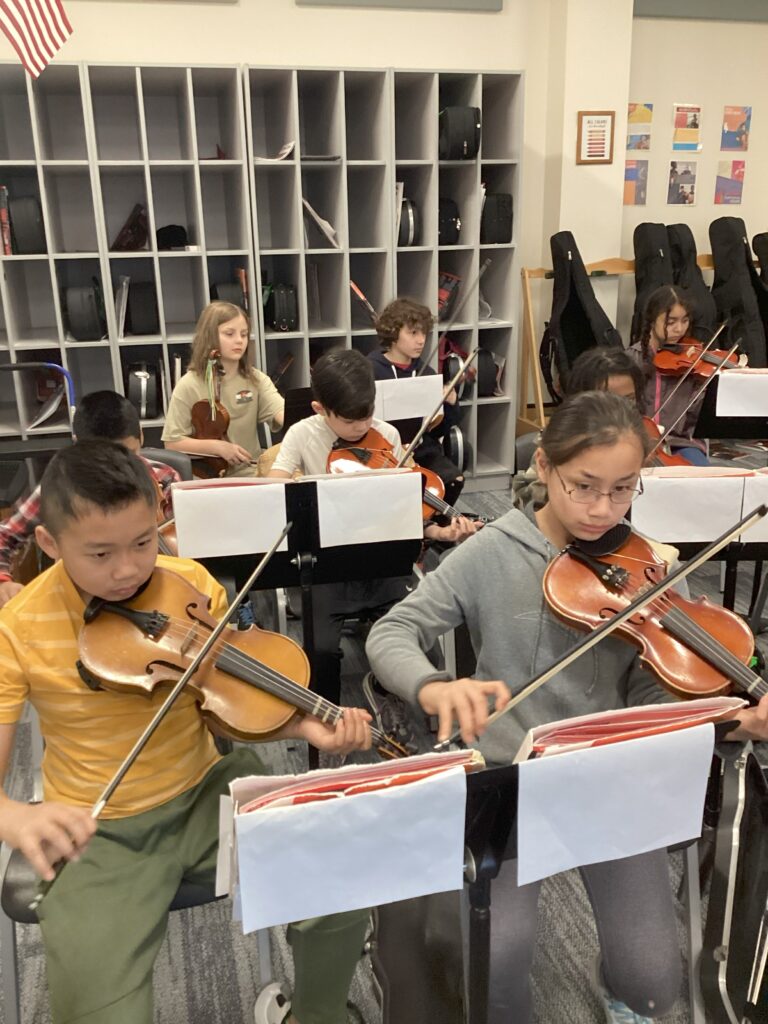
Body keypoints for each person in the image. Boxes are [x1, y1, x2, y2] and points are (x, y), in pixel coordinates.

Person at [366, 390, 768, 1024]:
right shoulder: (492, 552)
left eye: (623, 490)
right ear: (545, 467)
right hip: (511, 775)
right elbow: (391, 632)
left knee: (654, 982)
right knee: (496, 961)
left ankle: (615, 977)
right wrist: (432, 686)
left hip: (609, 777)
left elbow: (653, 689)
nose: (603, 509)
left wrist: (727, 719)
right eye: (583, 487)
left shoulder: (650, 566)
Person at [0, 439, 373, 1024]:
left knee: (338, 883)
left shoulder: (188, 586)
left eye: (143, 542)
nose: (128, 570)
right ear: (50, 544)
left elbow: (221, 705)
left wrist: (300, 726)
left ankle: (316, 1015)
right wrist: (14, 817)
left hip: (208, 793)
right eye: (99, 554)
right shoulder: (17, 628)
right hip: (96, 828)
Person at [269, 348, 477, 705]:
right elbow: (276, 485)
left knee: (419, 645)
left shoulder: (388, 436)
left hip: (382, 563)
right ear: (320, 409)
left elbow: (402, 511)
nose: (362, 427)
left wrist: (438, 532)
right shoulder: (302, 434)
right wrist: (294, 488)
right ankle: (329, 716)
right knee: (320, 652)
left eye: (367, 414)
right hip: (328, 567)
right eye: (350, 420)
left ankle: (389, 696)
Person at [0, 389, 180, 609]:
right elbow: (5, 534)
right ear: (78, 444)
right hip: (83, 601)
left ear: (141, 435)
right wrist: (3, 581)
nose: (117, 467)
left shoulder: (165, 477)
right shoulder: (64, 490)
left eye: (128, 453)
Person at [513, 345, 645, 510]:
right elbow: (526, 501)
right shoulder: (560, 439)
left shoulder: (635, 435)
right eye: (607, 399)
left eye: (629, 400)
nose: (619, 408)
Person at [163, 301, 284, 478]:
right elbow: (172, 443)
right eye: (229, 334)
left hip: (250, 473)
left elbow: (282, 413)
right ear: (209, 337)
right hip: (206, 477)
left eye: (244, 334)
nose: (239, 340)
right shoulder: (188, 385)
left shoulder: (256, 379)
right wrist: (217, 447)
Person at [369, 297, 465, 507]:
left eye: (424, 333)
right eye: (413, 333)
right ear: (393, 332)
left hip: (420, 449)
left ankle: (436, 522)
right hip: (381, 450)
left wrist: (450, 403)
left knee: (453, 479)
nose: (421, 340)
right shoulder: (370, 369)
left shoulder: (427, 373)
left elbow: (438, 431)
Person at [629, 285, 709, 465]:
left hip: (681, 442)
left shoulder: (692, 361)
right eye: (671, 322)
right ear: (652, 320)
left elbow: (697, 417)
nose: (679, 329)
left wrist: (705, 386)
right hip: (640, 443)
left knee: (701, 474)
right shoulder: (631, 359)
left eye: (685, 321)